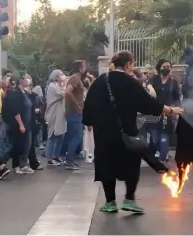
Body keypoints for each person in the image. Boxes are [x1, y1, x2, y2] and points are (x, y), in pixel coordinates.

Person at [83, 50, 184, 213]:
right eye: (132, 63)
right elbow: (148, 103)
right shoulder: (130, 83)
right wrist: (171, 110)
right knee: (131, 162)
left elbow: (89, 105)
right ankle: (129, 199)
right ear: (128, 64)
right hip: (126, 131)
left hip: (103, 133)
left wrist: (88, 121)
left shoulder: (100, 81)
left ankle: (110, 202)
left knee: (107, 164)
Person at [147, 59, 180, 163]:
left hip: (167, 114)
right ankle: (153, 153)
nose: (166, 69)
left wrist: (177, 111)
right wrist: (151, 89)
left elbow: (177, 98)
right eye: (164, 67)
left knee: (164, 138)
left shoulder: (173, 82)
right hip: (154, 114)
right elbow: (148, 84)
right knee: (155, 139)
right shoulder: (154, 79)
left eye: (168, 67)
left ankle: (163, 157)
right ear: (159, 68)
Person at [64, 61, 94, 170]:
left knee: (75, 136)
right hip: (74, 113)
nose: (86, 68)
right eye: (84, 66)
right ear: (80, 69)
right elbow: (68, 92)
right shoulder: (75, 78)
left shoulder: (77, 79)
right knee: (76, 137)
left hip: (75, 113)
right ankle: (69, 161)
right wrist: (77, 106)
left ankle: (70, 159)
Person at [3, 74, 35, 174]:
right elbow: (16, 111)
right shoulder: (15, 93)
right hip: (18, 124)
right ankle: (0, 162)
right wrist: (21, 124)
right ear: (21, 80)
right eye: (26, 77)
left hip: (27, 123)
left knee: (26, 145)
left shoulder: (24, 93)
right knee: (14, 146)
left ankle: (22, 165)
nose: (28, 80)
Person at [44, 70, 67, 166]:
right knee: (52, 136)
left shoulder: (58, 85)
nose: (62, 76)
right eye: (60, 74)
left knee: (60, 136)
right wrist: (64, 84)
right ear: (56, 77)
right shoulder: (52, 86)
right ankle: (50, 158)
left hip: (61, 114)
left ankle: (56, 156)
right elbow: (62, 94)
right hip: (53, 114)